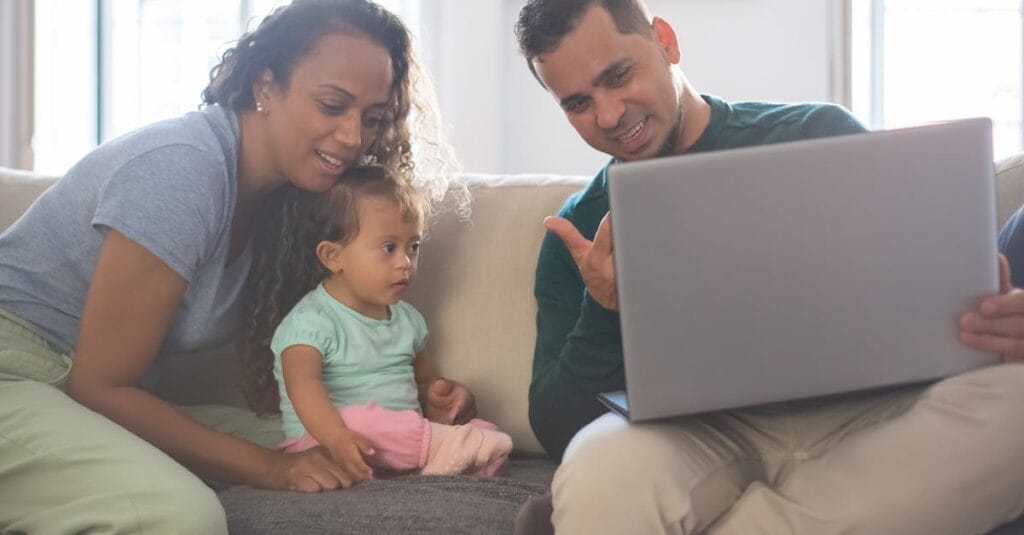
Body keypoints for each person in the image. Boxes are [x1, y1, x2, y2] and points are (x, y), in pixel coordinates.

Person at [514, 0, 1024, 533]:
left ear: (666, 41)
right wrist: (603, 310)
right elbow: (557, 427)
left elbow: (924, 298)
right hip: (691, 437)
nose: (609, 114)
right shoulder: (579, 231)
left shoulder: (817, 133)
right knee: (597, 472)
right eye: (577, 103)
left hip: (870, 420)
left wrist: (982, 314)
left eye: (618, 75)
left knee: (1016, 406)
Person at [0, 0, 464, 532]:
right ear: (265, 86)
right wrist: (274, 469)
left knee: (327, 440)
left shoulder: (286, 200)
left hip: (69, 390)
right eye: (333, 105)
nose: (355, 137)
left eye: (373, 118)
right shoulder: (183, 171)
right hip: (15, 373)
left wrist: (423, 397)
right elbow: (101, 386)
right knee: (179, 513)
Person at [252, 164, 512, 480]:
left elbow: (426, 381)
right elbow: (302, 386)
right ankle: (446, 452)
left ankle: (445, 460)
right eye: (389, 248)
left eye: (413, 247)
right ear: (333, 257)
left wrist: (443, 397)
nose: (405, 263)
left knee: (483, 429)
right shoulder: (310, 322)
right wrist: (336, 437)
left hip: (398, 445)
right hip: (326, 446)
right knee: (366, 422)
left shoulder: (408, 320)